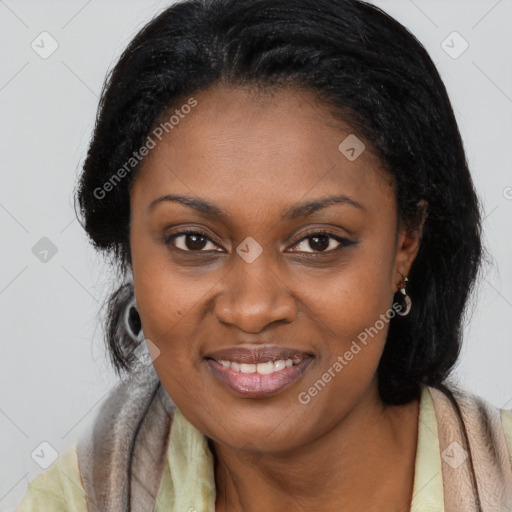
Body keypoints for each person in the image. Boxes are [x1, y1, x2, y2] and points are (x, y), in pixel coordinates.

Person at [16, 0, 512, 510]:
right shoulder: (76, 500)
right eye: (193, 241)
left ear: (406, 243)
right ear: (130, 249)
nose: (252, 309)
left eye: (318, 242)